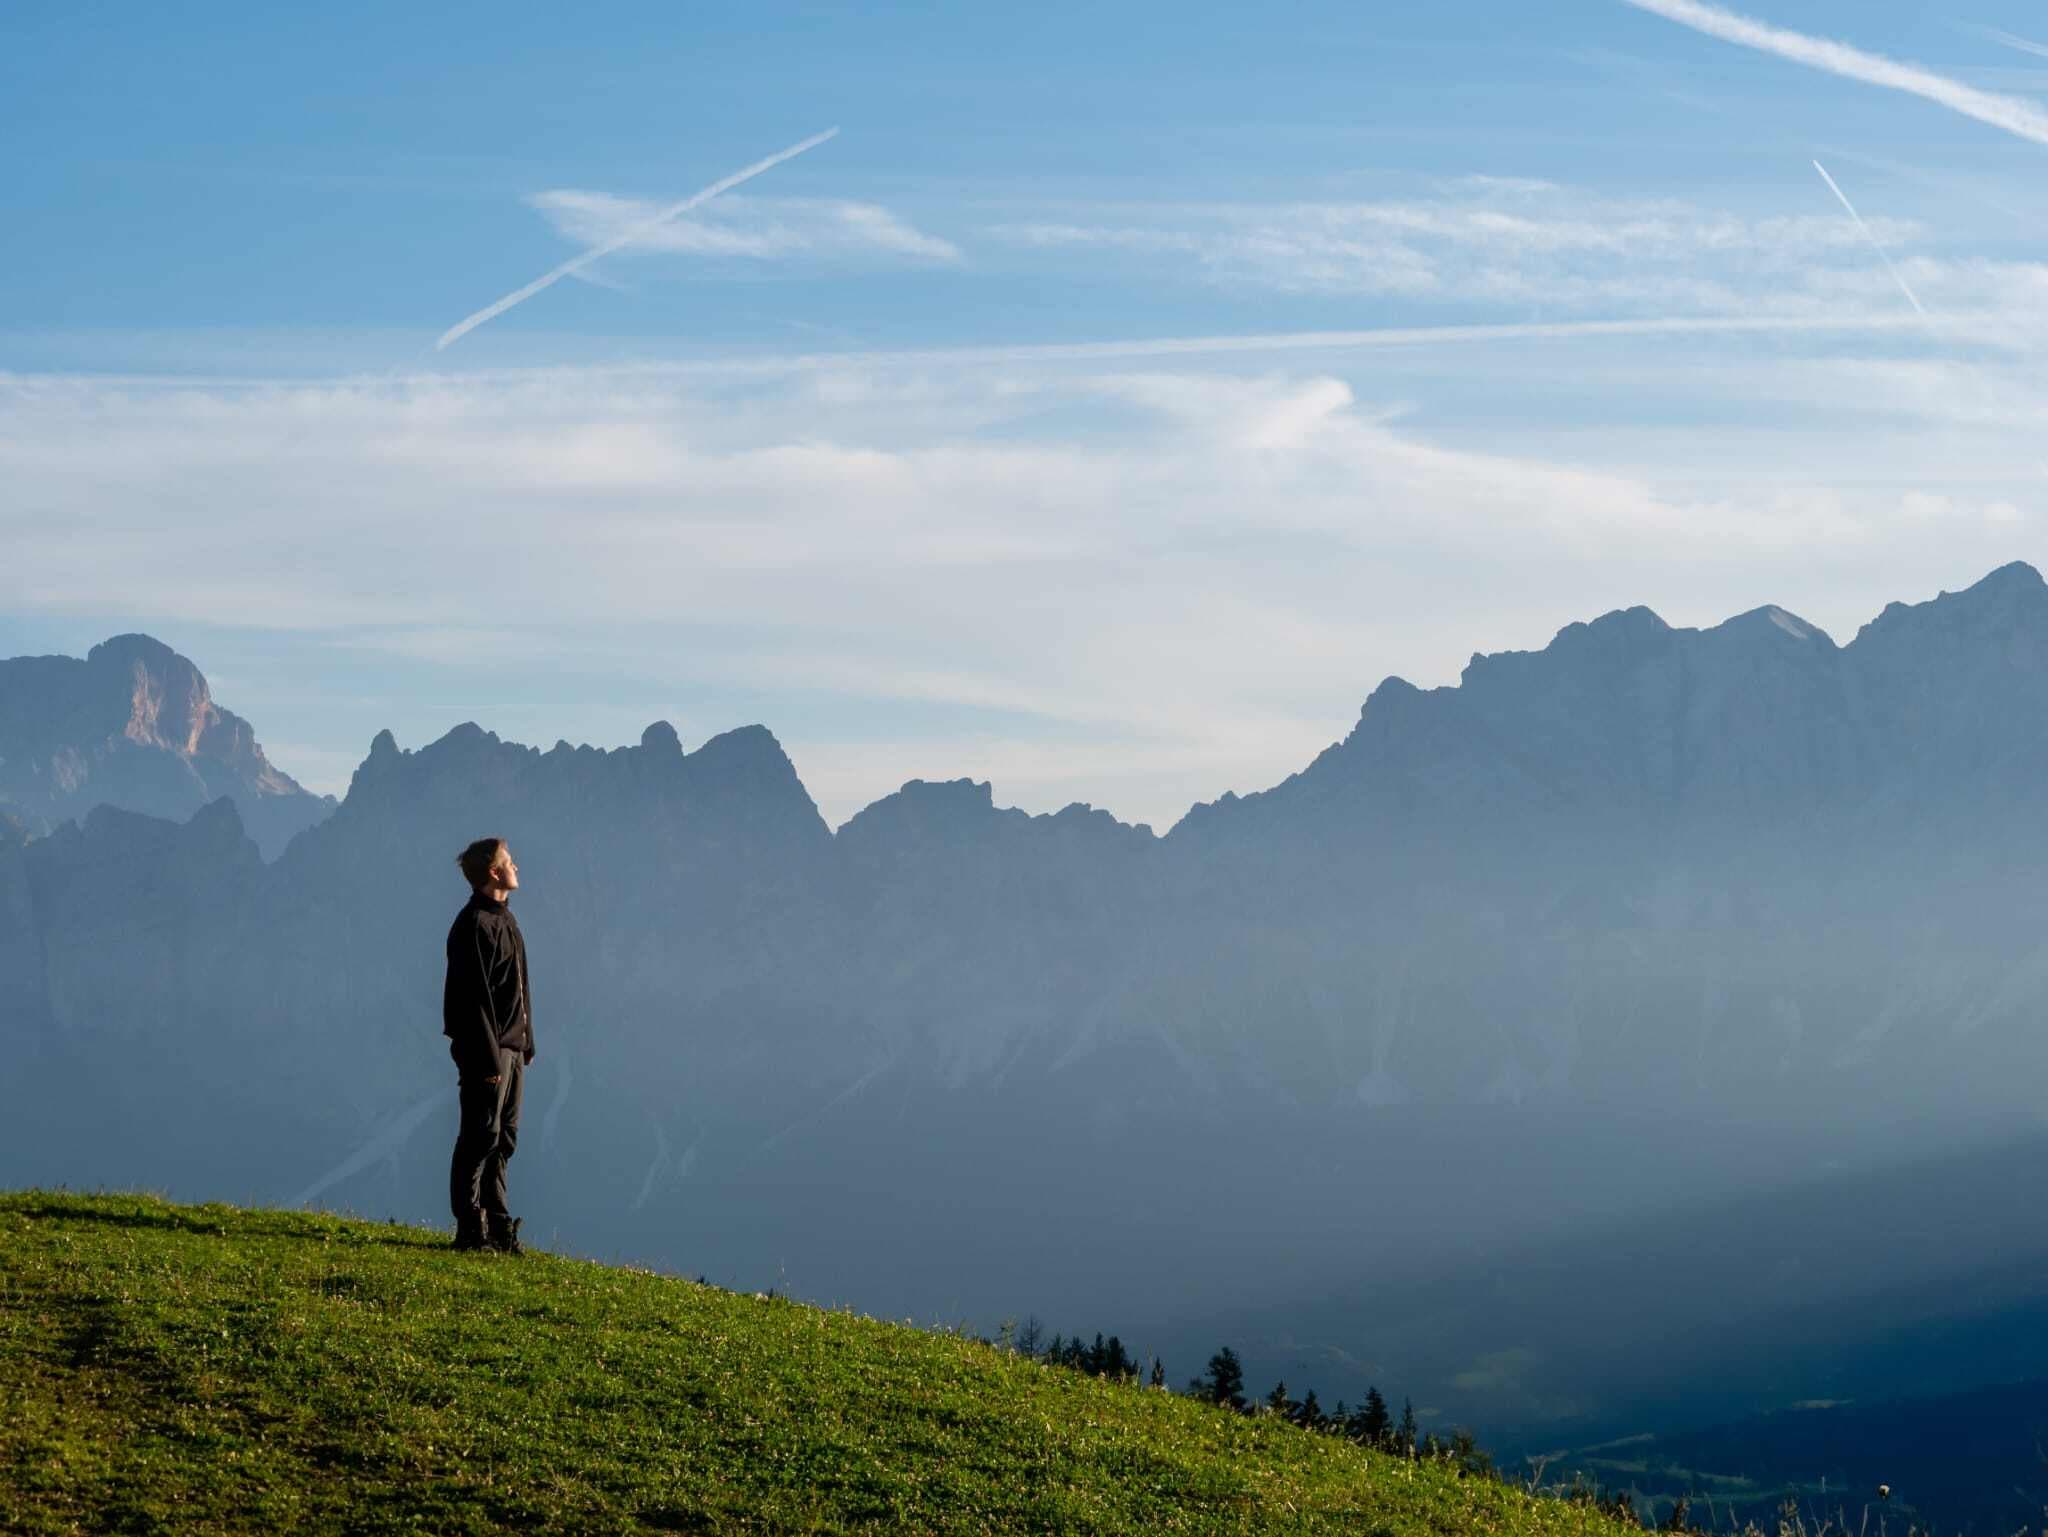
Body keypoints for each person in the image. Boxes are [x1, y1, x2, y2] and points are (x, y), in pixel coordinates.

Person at [444, 837, 535, 1254]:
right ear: (494, 873)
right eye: (508, 861)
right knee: (481, 1134)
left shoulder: (507, 921)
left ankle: (499, 1225)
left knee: (505, 1138)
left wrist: (525, 1043)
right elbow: (471, 1000)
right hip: (489, 1050)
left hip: (512, 1049)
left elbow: (519, 986)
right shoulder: (473, 926)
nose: (516, 865)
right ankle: (470, 1226)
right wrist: (487, 1058)